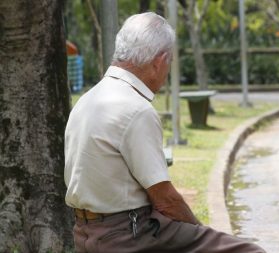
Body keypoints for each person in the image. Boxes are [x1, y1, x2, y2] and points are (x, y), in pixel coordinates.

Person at [64, 12, 265, 253]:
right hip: (128, 234)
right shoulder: (136, 109)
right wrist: (199, 231)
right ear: (159, 61)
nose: (167, 72)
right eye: (169, 64)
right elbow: (165, 200)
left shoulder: (88, 99)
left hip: (84, 232)